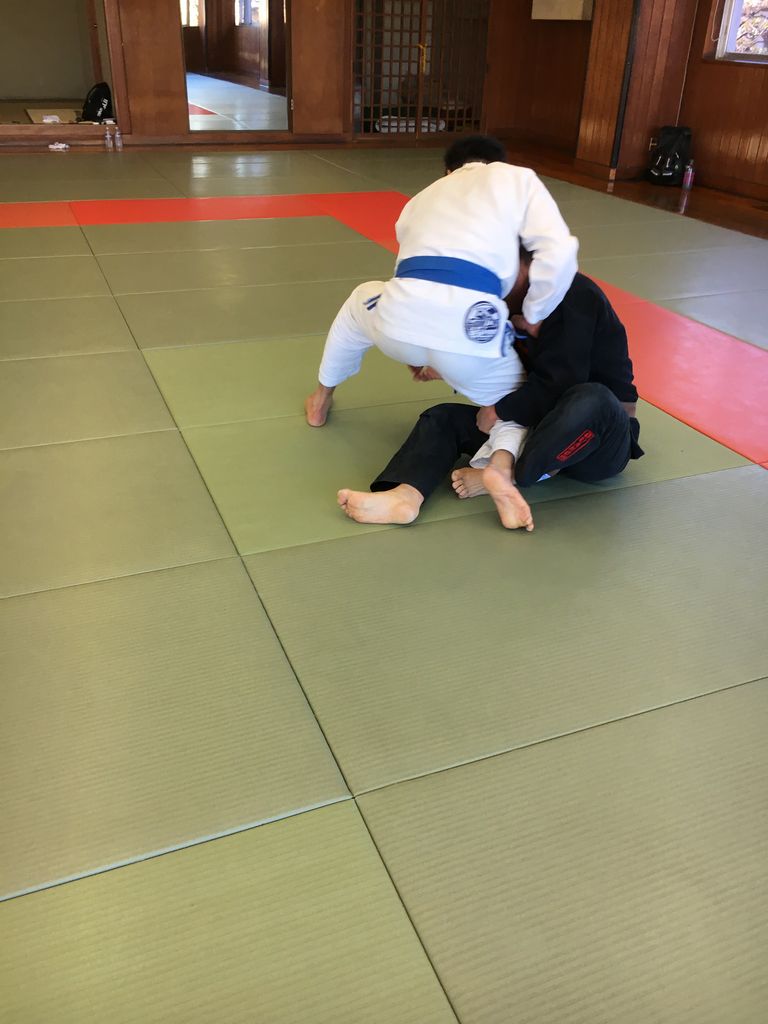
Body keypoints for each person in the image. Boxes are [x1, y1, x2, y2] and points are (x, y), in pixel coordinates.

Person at [337, 262, 644, 532]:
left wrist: (500, 410)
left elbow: (562, 383)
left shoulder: (574, 294)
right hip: (532, 426)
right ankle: (405, 496)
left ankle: (506, 475)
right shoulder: (493, 299)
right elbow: (490, 364)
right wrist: (442, 363)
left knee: (592, 398)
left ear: (526, 262)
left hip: (596, 441)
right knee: (443, 417)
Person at [304, 135, 578, 437]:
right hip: (472, 338)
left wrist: (416, 338)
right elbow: (559, 252)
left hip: (397, 325)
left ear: (448, 171)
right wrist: (535, 313)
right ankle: (501, 457)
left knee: (359, 302)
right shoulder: (517, 178)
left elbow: (412, 267)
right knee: (517, 407)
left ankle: (321, 399)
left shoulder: (421, 198)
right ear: (500, 164)